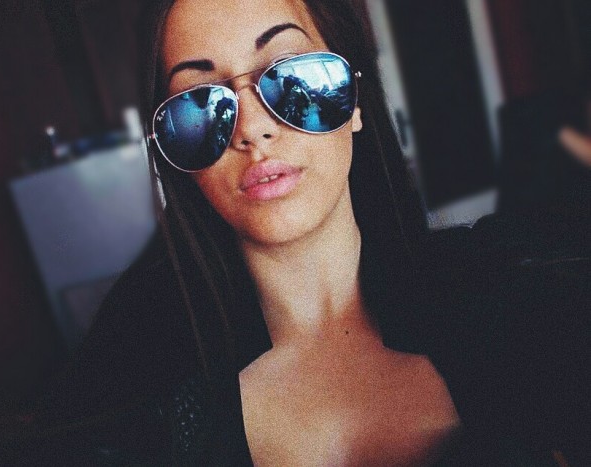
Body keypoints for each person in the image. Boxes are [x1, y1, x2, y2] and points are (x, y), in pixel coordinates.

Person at [38, 0, 590, 465]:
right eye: (200, 104)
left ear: (354, 101)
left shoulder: (517, 299)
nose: (252, 129)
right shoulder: (136, 396)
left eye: (292, 74)